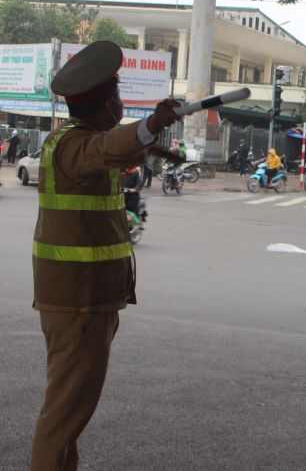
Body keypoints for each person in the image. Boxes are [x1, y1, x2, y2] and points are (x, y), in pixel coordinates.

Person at [29, 40, 183, 470]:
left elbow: (113, 151)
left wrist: (149, 142)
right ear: (110, 104)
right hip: (78, 299)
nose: (120, 104)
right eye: (118, 96)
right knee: (63, 417)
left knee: (70, 416)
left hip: (83, 297)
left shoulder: (73, 142)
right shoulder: (76, 146)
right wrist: (150, 124)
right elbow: (105, 150)